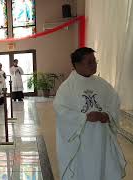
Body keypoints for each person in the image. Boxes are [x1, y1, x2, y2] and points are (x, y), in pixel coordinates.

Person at [54, 47, 126, 180]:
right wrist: (84, 117)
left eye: (95, 61)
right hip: (81, 141)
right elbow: (61, 110)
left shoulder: (102, 84)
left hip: (101, 137)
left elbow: (114, 101)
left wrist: (107, 115)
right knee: (84, 171)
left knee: (102, 167)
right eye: (90, 62)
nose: (94, 65)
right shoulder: (67, 87)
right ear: (77, 65)